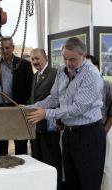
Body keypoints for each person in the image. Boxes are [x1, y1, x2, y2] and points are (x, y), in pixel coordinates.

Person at [27, 37, 106, 190]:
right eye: (65, 58)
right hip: (69, 134)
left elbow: (77, 109)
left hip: (89, 134)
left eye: (73, 60)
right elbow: (54, 98)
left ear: (84, 56)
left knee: (88, 182)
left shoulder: (92, 75)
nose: (68, 63)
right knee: (71, 180)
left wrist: (46, 114)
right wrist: (31, 107)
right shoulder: (62, 71)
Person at [0, 36, 33, 155]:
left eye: (7, 48)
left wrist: (25, 104)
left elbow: (29, 89)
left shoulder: (24, 65)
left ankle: (20, 171)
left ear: (12, 48)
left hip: (17, 108)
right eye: (2, 48)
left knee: (20, 145)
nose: (5, 51)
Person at [29, 48, 62, 190]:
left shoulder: (55, 74)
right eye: (33, 59)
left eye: (37, 58)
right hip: (35, 125)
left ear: (46, 57)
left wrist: (59, 121)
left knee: (51, 159)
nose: (35, 62)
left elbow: (59, 99)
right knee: (38, 159)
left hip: (50, 124)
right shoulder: (35, 75)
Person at [86, 54, 112, 190]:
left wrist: (105, 129)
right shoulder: (78, 84)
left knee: (101, 166)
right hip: (82, 131)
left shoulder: (106, 85)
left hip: (100, 131)